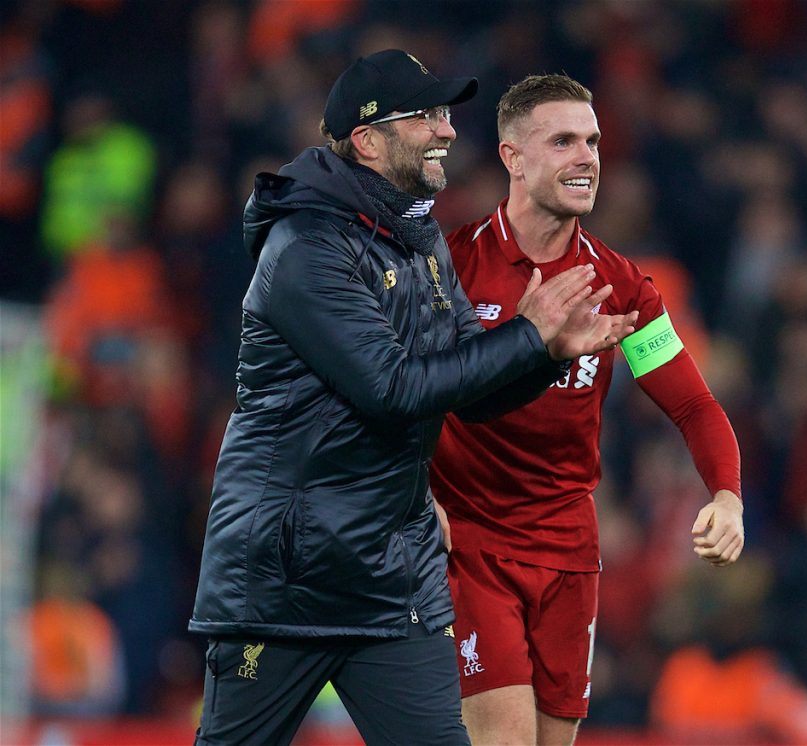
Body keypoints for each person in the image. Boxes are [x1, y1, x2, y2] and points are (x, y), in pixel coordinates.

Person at [189, 52, 636, 746]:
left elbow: (470, 386)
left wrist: (549, 352)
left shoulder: (419, 239)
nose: (447, 131)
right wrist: (527, 335)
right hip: (285, 585)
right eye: (425, 116)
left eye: (445, 114)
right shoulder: (306, 248)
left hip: (392, 580)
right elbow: (392, 390)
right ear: (368, 140)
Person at [429, 74, 744, 746]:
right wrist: (412, 498)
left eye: (594, 141)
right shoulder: (448, 265)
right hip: (472, 544)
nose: (587, 157)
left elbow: (692, 402)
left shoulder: (625, 287)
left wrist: (727, 495)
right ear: (513, 157)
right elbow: (394, 395)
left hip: (570, 549)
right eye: (564, 140)